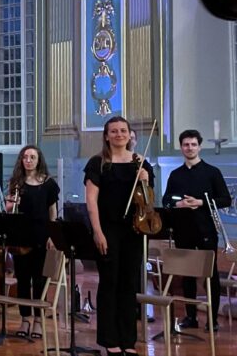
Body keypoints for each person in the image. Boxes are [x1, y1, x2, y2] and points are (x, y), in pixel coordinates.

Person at [84, 116, 153, 356]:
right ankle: (108, 339)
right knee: (110, 283)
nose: (119, 134)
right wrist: (98, 231)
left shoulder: (140, 164)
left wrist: (145, 180)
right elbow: (91, 201)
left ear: (129, 134)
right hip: (108, 229)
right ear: (106, 136)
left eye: (123, 130)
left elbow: (148, 199)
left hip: (134, 230)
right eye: (113, 131)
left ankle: (128, 340)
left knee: (129, 285)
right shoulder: (98, 163)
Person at [163, 129, 231, 332]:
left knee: (211, 275)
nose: (189, 148)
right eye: (186, 144)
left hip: (206, 229)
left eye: (193, 144)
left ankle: (212, 320)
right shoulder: (175, 175)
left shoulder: (212, 172)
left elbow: (225, 199)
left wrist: (201, 202)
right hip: (183, 229)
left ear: (199, 146)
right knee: (187, 275)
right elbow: (167, 200)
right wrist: (180, 204)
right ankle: (191, 317)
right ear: (181, 147)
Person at [5, 145, 59, 339]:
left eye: (32, 157)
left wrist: (53, 236)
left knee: (40, 281)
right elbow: (9, 210)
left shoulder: (49, 184)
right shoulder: (17, 183)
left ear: (39, 160)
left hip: (42, 237)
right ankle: (25, 319)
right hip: (21, 238)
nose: (28, 160)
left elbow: (53, 212)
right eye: (25, 157)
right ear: (21, 160)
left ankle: (38, 321)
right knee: (23, 281)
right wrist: (10, 203)